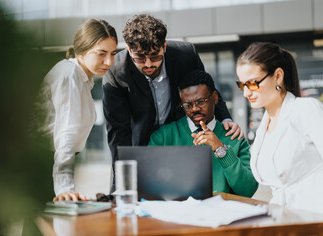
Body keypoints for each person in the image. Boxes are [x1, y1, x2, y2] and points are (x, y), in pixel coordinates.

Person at [102, 14, 243, 190]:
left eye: (155, 56)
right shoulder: (116, 71)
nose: (148, 64)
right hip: (141, 145)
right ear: (129, 51)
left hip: (179, 139)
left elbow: (206, 87)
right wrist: (122, 180)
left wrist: (226, 119)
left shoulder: (186, 55)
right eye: (139, 58)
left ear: (164, 46)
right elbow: (118, 133)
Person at [236, 42, 323, 212]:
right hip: (283, 221)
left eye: (252, 83)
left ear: (277, 76)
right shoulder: (264, 127)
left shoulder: (306, 110)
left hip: (315, 220)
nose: (246, 93)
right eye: (242, 85)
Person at [41, 19, 118, 201]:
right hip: (44, 163)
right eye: (101, 53)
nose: (109, 61)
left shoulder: (83, 79)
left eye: (113, 54)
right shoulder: (69, 75)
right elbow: (66, 132)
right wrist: (64, 187)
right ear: (81, 52)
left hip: (52, 161)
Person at [148, 70, 258, 197]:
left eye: (201, 102)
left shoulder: (234, 137)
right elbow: (150, 187)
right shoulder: (162, 137)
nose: (194, 109)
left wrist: (220, 149)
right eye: (188, 105)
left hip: (222, 214)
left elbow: (248, 190)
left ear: (215, 98)